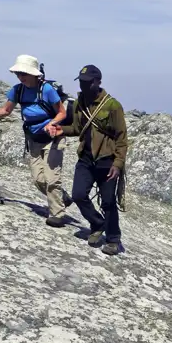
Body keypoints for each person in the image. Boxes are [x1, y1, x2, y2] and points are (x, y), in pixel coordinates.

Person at [0, 54, 72, 227]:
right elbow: (6, 110)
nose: (21, 77)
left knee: (51, 178)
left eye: (24, 73)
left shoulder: (47, 90)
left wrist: (52, 124)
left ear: (34, 74)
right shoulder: (18, 90)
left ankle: (57, 214)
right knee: (38, 179)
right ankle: (62, 197)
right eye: (19, 74)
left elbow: (62, 113)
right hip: (34, 139)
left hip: (53, 138)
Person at [45, 64, 127, 255]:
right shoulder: (80, 102)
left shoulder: (112, 105)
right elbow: (76, 128)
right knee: (79, 195)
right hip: (86, 158)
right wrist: (60, 130)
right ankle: (97, 224)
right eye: (81, 82)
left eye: (87, 83)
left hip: (107, 160)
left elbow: (122, 138)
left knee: (108, 202)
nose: (83, 86)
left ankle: (114, 239)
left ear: (98, 82)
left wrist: (118, 164)